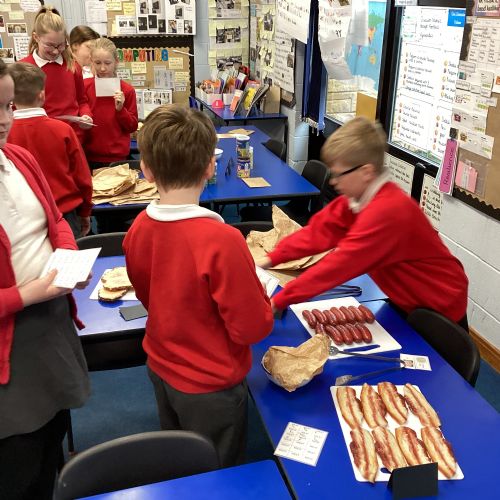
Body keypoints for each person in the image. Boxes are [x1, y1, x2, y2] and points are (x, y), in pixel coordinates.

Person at [123, 105, 274, 467]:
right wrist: (263, 296)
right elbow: (252, 328)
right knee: (218, 468)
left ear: (145, 169)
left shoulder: (137, 229)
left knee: (181, 458)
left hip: (161, 365)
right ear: (210, 166)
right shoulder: (223, 240)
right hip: (211, 384)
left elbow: (149, 295)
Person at [257, 117, 469, 327]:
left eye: (339, 174)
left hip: (439, 305)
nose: (333, 181)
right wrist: (269, 259)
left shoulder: (389, 212)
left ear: (366, 172)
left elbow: (337, 266)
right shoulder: (357, 199)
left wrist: (280, 300)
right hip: (405, 295)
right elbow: (318, 232)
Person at [0, 58, 90, 500]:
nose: (4, 121)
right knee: (16, 462)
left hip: (49, 328)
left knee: (50, 441)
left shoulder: (18, 157)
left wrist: (68, 255)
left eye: (7, 106)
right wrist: (25, 293)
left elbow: (54, 218)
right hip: (9, 347)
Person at [7, 62, 93, 239]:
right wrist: (85, 211)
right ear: (42, 95)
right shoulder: (63, 130)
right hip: (65, 214)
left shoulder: (6, 134)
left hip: (21, 219)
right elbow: (82, 177)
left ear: (12, 98)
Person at [20, 5, 93, 142]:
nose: (55, 51)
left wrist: (86, 115)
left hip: (73, 138)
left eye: (60, 45)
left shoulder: (73, 66)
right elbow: (17, 109)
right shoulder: (23, 68)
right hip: (40, 139)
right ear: (36, 37)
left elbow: (82, 100)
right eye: (49, 45)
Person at [84, 37, 138, 169]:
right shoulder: (84, 87)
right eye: (97, 63)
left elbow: (132, 127)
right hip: (89, 156)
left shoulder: (127, 90)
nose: (102, 68)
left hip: (117, 158)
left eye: (107, 63)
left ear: (116, 62)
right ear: (91, 61)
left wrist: (121, 110)